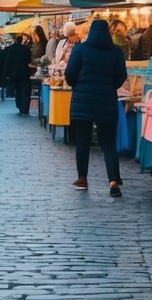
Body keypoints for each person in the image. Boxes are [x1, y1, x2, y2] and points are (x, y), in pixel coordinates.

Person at [64, 18, 128, 196]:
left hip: (82, 102)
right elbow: (120, 76)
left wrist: (77, 85)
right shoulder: (116, 52)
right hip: (106, 101)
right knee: (108, 142)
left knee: (82, 140)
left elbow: (70, 74)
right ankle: (113, 181)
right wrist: (110, 86)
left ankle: (82, 178)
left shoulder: (80, 49)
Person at [4, 34, 34, 114]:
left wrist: (7, 74)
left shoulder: (12, 48)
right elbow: (28, 60)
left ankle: (19, 106)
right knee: (25, 90)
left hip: (14, 74)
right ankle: (25, 108)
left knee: (18, 90)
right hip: (24, 72)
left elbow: (8, 61)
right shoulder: (26, 49)